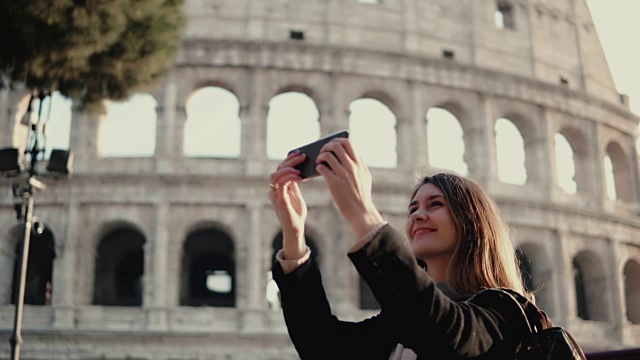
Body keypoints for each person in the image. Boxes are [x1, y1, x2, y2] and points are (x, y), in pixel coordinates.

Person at [268, 137, 542, 360]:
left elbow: (444, 334)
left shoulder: (504, 313)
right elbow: (324, 347)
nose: (417, 216)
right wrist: (294, 237)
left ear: (472, 221)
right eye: (413, 209)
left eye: (435, 204)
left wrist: (363, 212)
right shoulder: (399, 322)